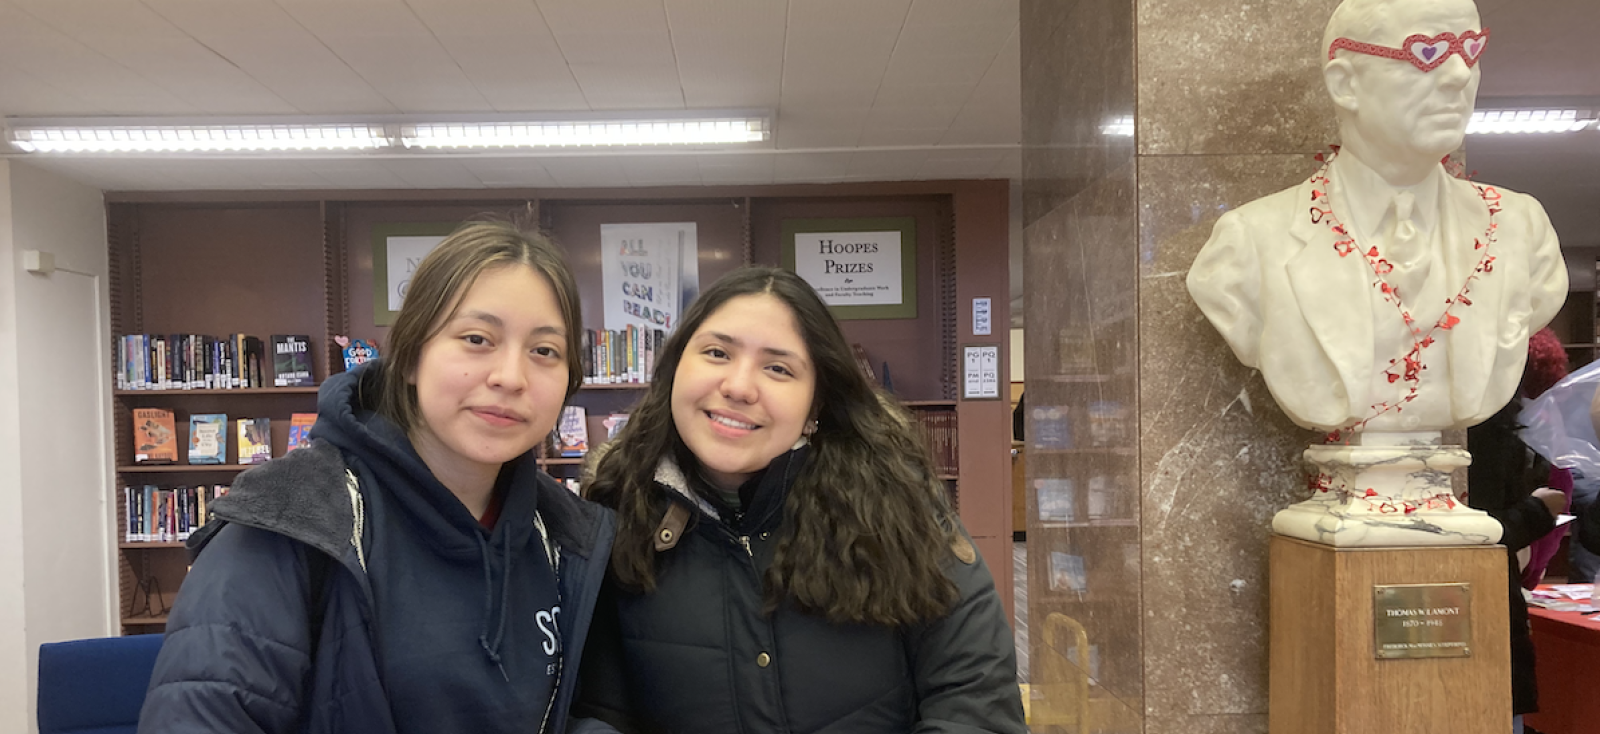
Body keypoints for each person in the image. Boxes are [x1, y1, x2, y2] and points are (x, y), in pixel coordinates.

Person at [139, 221, 616, 734]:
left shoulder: (567, 539)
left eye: (544, 351)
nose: (510, 376)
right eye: (477, 339)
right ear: (410, 357)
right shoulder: (286, 526)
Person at [570, 267, 1025, 734]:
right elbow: (597, 710)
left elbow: (975, 701)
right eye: (716, 352)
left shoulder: (899, 507)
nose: (740, 387)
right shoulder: (616, 516)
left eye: (778, 368)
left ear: (816, 404)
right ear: (674, 369)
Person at [1186, 0, 1566, 436]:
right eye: (1427, 51)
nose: (1459, 75)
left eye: (1470, 51)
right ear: (1346, 84)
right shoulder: (1249, 243)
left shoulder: (1522, 230)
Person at [1466, 328, 1569, 732]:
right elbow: (1484, 530)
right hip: (1488, 601)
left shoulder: (1507, 425)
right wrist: (1538, 511)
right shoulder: (1490, 429)